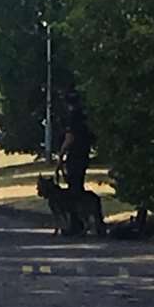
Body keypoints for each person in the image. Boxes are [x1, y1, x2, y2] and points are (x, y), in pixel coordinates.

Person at [57, 97, 95, 234]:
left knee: (73, 192)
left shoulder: (73, 119)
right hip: (83, 156)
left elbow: (69, 138)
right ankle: (81, 223)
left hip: (74, 158)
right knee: (78, 187)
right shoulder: (84, 119)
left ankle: (76, 225)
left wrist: (61, 154)